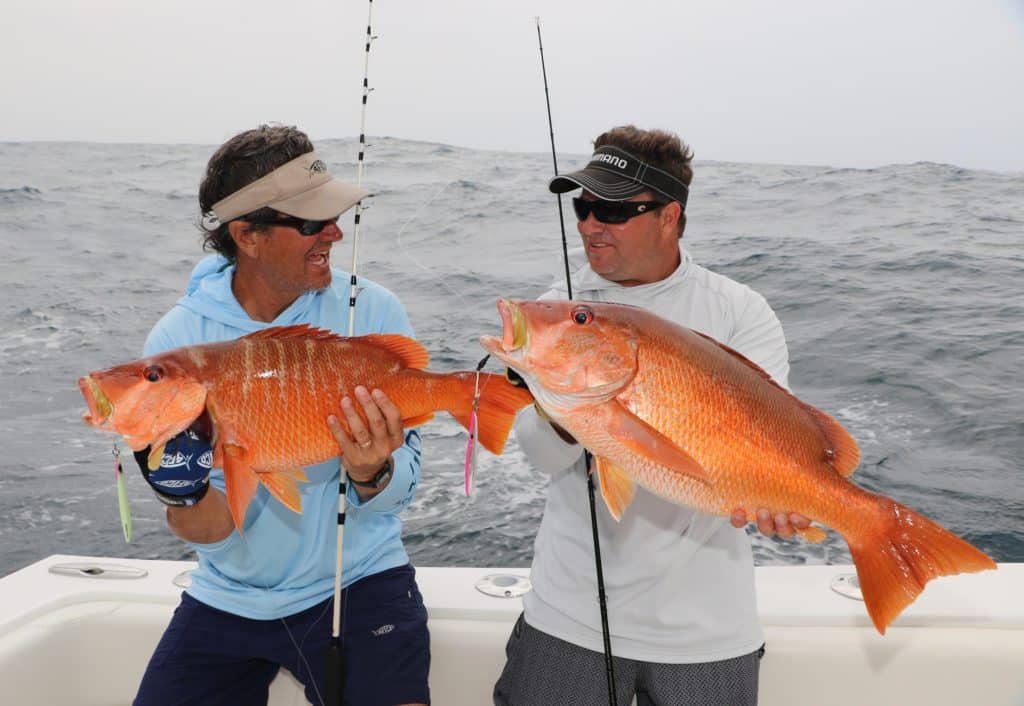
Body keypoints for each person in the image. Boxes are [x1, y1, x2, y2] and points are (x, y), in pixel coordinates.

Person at [493, 125, 809, 706]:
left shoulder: (739, 311)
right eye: (583, 206)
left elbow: (773, 444)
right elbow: (539, 455)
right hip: (568, 615)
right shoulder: (563, 312)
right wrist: (573, 403)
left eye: (611, 208)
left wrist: (781, 497)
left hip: (707, 631)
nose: (589, 224)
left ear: (669, 216)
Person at [132, 124, 430, 706]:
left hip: (360, 581)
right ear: (248, 234)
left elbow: (401, 497)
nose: (335, 233)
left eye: (333, 217)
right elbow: (212, 534)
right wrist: (181, 493)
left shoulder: (371, 309)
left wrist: (374, 472)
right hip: (227, 595)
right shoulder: (177, 344)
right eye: (312, 223)